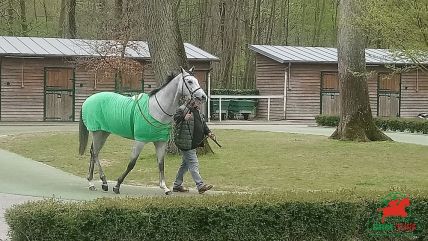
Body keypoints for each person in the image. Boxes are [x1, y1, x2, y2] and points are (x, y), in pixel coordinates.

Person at [172, 98, 214, 194]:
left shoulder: (197, 111)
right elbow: (175, 119)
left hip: (193, 142)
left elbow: (202, 124)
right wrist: (183, 117)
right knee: (193, 163)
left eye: (200, 102)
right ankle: (200, 185)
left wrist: (209, 132)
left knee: (185, 165)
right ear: (192, 100)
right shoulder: (182, 109)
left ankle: (177, 185)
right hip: (186, 142)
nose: (199, 103)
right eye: (198, 101)